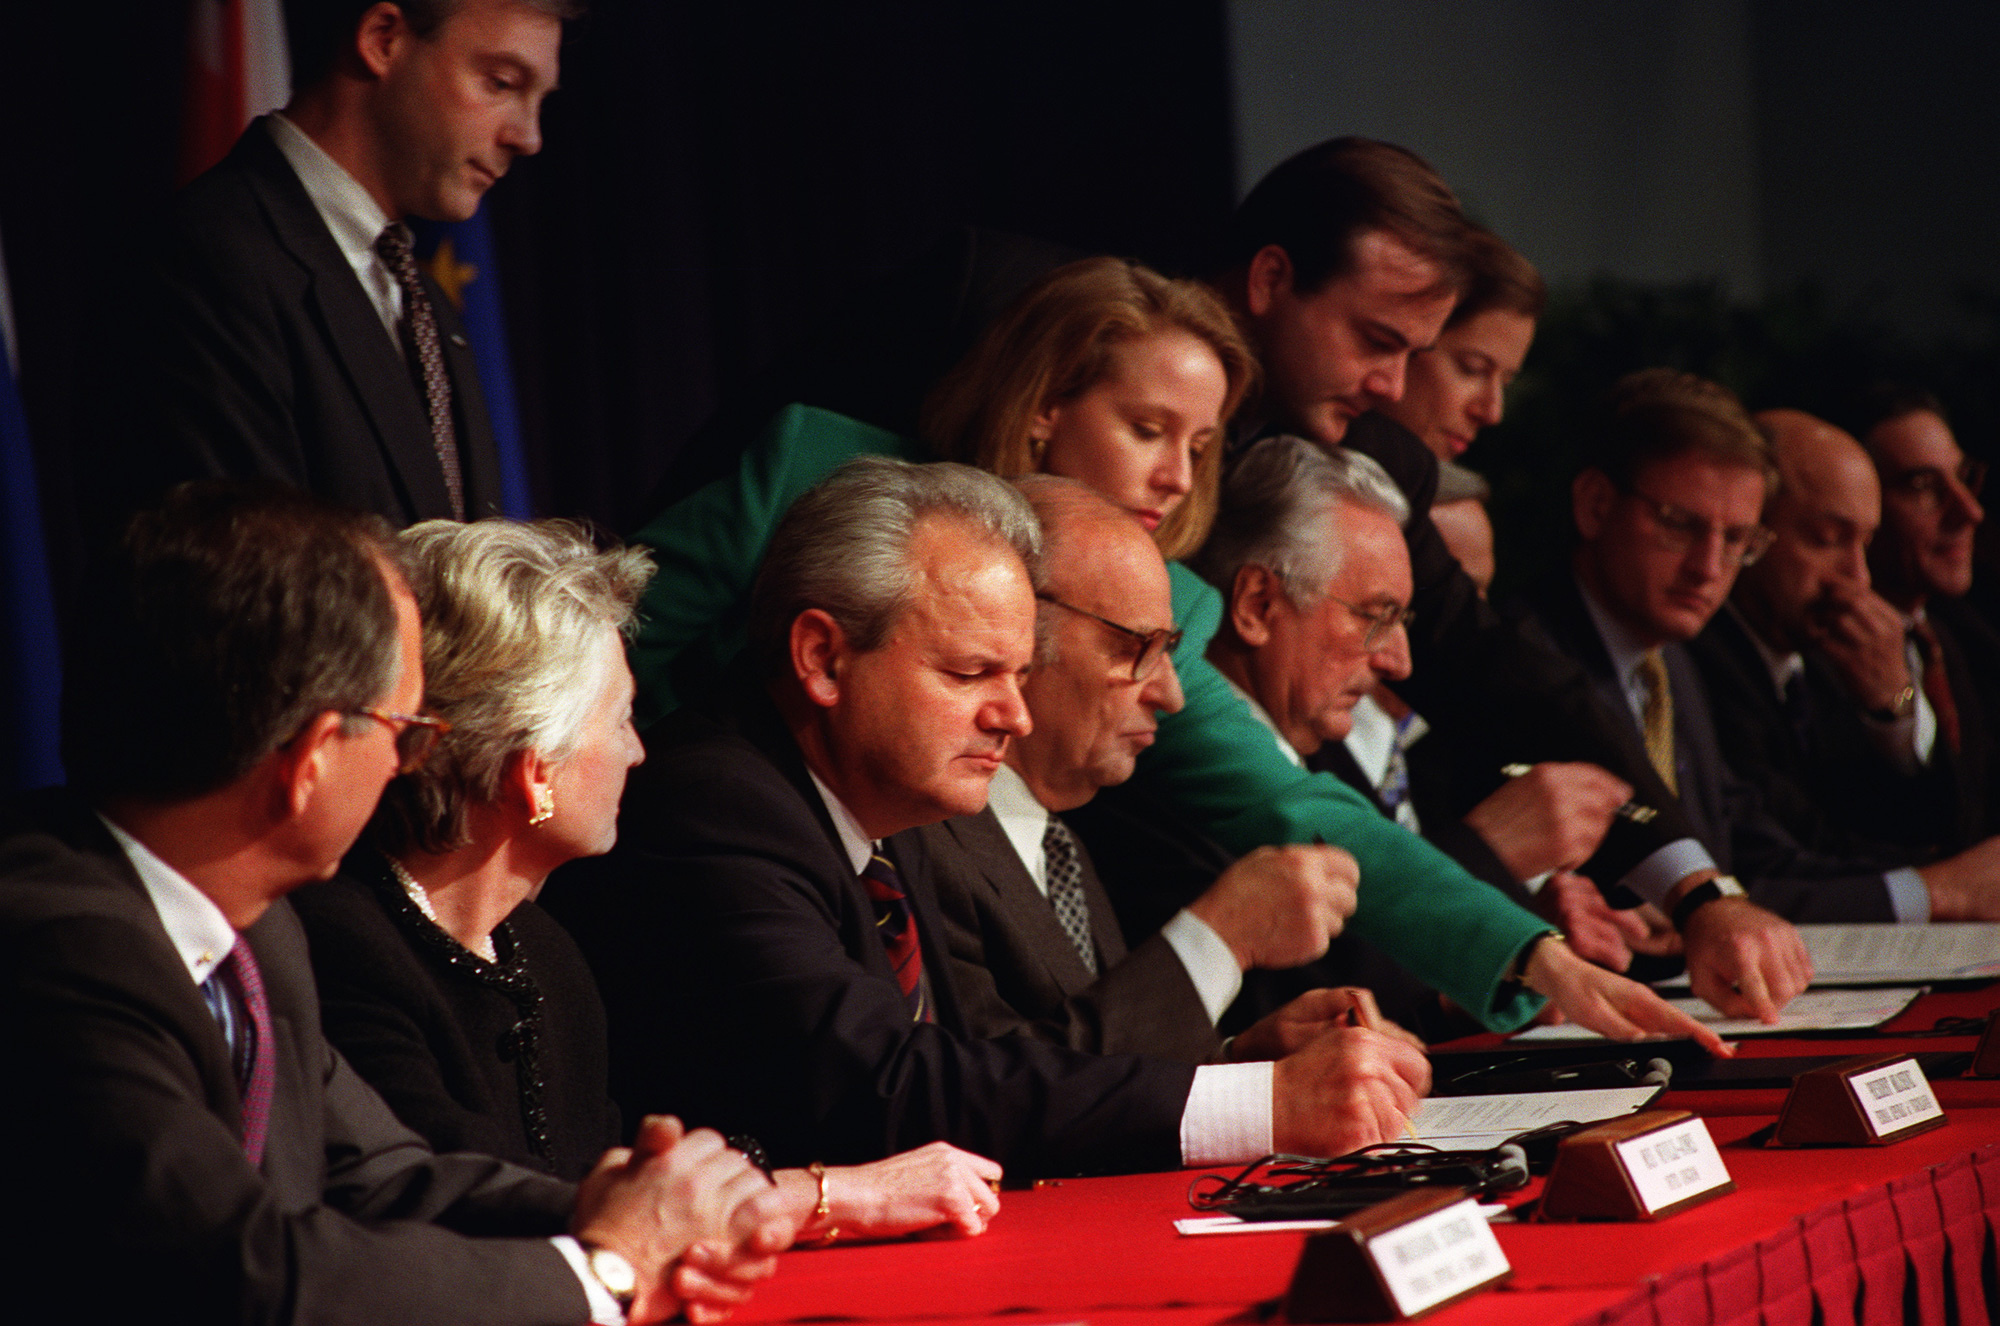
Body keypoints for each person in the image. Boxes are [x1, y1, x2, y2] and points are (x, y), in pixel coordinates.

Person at [628, 256, 1722, 1046]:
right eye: (1148, 428)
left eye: (1199, 445)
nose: (1174, 475)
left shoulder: (1164, 618)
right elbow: (606, 652)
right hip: (682, 900)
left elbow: (1306, 811)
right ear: (1044, 411)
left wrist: (1526, 955)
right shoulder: (806, 471)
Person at [0, 482, 789, 1325]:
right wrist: (605, 1274)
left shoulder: (254, 927)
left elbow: (382, 1177)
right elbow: (241, 1275)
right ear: (309, 760)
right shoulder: (59, 951)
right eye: (406, 731)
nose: (407, 769)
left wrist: (610, 1208)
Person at [559, 456, 1436, 1178]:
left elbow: (1001, 1064)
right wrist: (1264, 1105)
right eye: (972, 673)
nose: (1014, 717)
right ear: (823, 657)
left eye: (1020, 676)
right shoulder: (713, 803)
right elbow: (885, 1088)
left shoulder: (883, 806)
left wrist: (1235, 1060)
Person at [293, 516, 1005, 1240]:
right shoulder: (338, 946)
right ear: (534, 769)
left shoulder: (545, 951)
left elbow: (618, 1169)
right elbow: (468, 1194)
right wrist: (814, 1196)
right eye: (621, 719)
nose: (639, 751)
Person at [916, 476, 1418, 1063]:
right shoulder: (922, 846)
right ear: (1019, 633)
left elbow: (1087, 1075)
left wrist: (1244, 1060)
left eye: (1171, 652)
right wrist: (1219, 938)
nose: (1172, 695)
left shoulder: (1062, 843)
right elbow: (989, 1100)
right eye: (1139, 649)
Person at [1515, 371, 2000, 932]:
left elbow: (1751, 858)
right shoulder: (1525, 660)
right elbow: (1656, 908)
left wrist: (1950, 884)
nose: (1707, 567)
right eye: (1680, 525)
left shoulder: (1669, 664)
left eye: (1737, 540)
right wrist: (1942, 892)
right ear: (1596, 505)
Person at [94, 0, 571, 534]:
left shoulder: (424, 303)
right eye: (501, 83)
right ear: (382, 39)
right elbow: (240, 583)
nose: (528, 137)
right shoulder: (205, 263)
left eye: (539, 101)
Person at [1691, 409, 1992, 859]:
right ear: (1750, 530)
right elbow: (1791, 855)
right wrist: (1943, 888)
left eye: (1866, 544)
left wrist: (1894, 712)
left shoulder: (1829, 659)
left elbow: (1938, 829)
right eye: (1828, 539)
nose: (1858, 578)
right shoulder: (1698, 660)